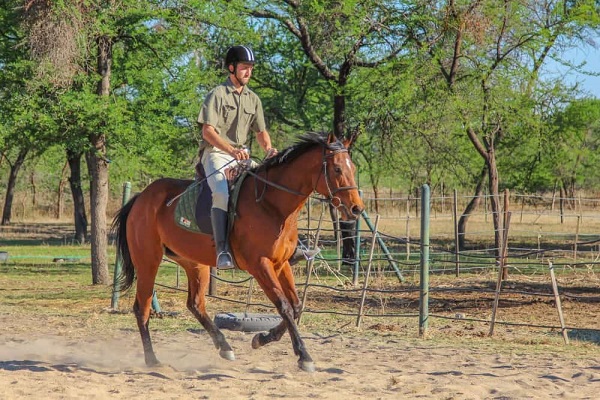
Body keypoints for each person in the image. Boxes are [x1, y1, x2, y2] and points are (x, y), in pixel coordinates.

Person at [197, 45, 319, 270]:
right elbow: (208, 132)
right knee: (222, 194)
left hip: (241, 156)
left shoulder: (253, 99)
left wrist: (269, 149)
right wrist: (231, 151)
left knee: (272, 184)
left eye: (251, 68)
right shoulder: (217, 94)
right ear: (232, 68)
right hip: (215, 154)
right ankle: (222, 249)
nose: (248, 72)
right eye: (244, 67)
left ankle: (291, 245)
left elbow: (261, 132)